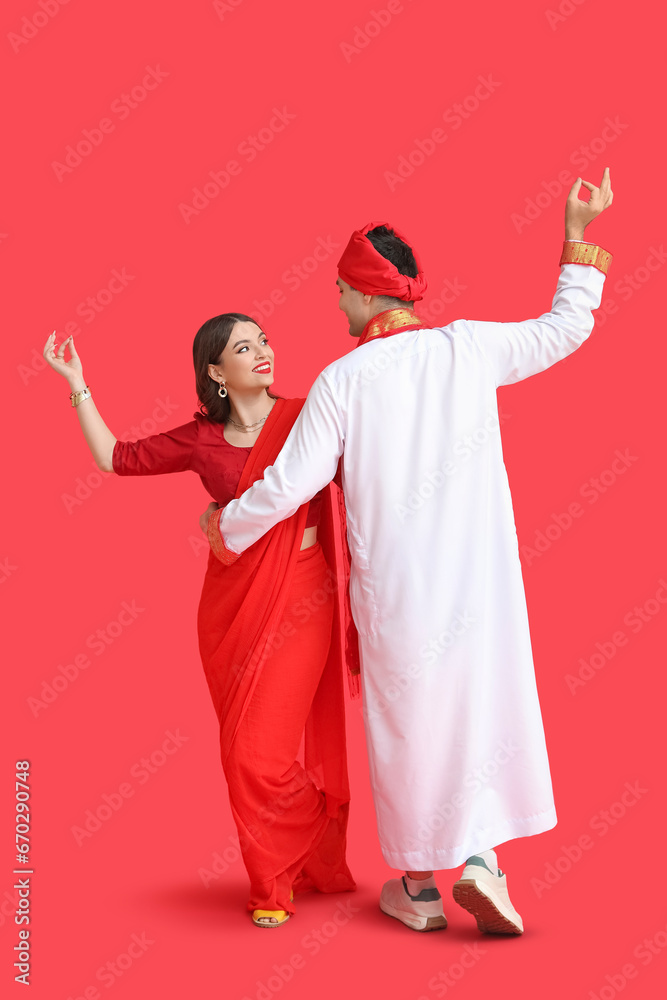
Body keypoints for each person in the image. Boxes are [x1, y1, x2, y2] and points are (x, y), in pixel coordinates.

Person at [202, 169, 614, 935]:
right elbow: (565, 329)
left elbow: (290, 483)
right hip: (481, 581)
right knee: (479, 709)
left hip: (398, 593)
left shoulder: (344, 379)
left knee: (409, 722)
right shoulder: (469, 349)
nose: (334, 304)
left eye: (338, 291)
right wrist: (575, 236)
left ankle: (419, 887)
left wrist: (226, 525)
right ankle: (485, 860)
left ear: (364, 295)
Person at [42, 313, 357, 928]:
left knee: (255, 754)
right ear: (216, 371)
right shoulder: (199, 440)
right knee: (239, 749)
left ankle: (276, 878)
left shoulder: (308, 415)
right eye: (245, 347)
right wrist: (76, 382)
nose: (264, 351)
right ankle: (295, 846)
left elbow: (361, 479)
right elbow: (116, 457)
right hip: (228, 608)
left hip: (302, 598)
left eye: (265, 339)